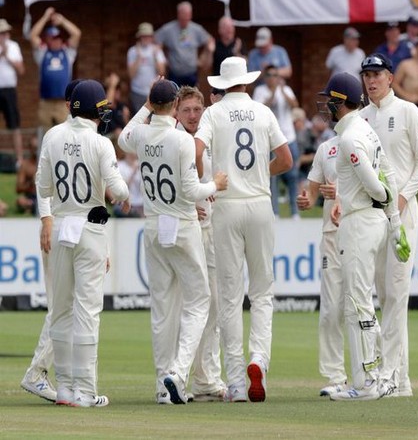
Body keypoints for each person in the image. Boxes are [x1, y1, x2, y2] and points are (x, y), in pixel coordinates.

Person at [119, 80, 227, 405]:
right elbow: (194, 191)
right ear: (176, 104)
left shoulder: (140, 134)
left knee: (163, 309)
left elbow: (124, 137)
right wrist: (215, 184)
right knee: (199, 300)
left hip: (153, 226)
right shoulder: (181, 140)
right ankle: (178, 374)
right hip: (181, 224)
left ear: (152, 102)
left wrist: (147, 105)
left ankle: (161, 385)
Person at [196, 57, 292, 402]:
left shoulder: (213, 113)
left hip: (227, 205)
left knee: (230, 295)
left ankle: (236, 381)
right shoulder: (263, 112)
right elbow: (286, 159)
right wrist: (261, 175)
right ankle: (259, 361)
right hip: (259, 204)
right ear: (247, 83)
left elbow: (197, 148)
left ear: (222, 84)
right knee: (263, 291)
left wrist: (204, 183)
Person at [36, 79, 130, 407]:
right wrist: (125, 196)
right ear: (93, 111)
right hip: (89, 228)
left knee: (60, 309)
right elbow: (117, 190)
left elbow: (44, 186)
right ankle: (85, 391)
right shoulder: (100, 143)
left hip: (62, 226)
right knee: (87, 311)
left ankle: (64, 388)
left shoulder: (52, 136)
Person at [320, 72, 403, 401]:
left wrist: (380, 200)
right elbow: (390, 175)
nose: (326, 106)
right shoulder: (365, 130)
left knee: (356, 302)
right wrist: (393, 221)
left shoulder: (351, 138)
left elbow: (375, 182)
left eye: (330, 100)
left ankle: (367, 382)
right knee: (359, 301)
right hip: (368, 220)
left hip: (361, 222)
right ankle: (374, 377)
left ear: (340, 102)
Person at [360, 54, 418, 398]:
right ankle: (400, 379)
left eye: (376, 75)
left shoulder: (407, 111)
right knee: (385, 294)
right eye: (366, 76)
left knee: (397, 293)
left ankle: (389, 375)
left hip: (402, 214)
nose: (371, 81)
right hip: (372, 215)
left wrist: (402, 196)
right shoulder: (360, 118)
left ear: (390, 77)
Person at [20, 78, 82, 404]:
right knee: (61, 305)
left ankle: (65, 379)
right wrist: (46, 220)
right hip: (58, 226)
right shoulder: (56, 135)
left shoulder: (81, 135)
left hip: (71, 228)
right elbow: (41, 181)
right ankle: (37, 373)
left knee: (66, 305)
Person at [174, 85, 226, 402]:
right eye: (187, 110)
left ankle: (206, 379)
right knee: (187, 307)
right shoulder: (173, 139)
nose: (193, 116)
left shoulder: (207, 136)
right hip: (183, 231)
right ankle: (176, 376)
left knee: (214, 305)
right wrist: (184, 203)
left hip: (211, 230)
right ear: (177, 112)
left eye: (197, 109)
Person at [296, 135, 346, 396]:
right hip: (330, 234)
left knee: (360, 305)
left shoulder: (368, 138)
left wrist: (341, 193)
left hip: (360, 230)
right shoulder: (326, 148)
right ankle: (335, 375)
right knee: (330, 308)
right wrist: (308, 201)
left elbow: (380, 186)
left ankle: (371, 372)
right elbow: (313, 191)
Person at [252, 64, 300, 218]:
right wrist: (273, 92)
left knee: (293, 175)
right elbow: (260, 109)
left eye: (275, 75)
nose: (272, 78)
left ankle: (295, 211)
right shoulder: (260, 91)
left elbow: (295, 105)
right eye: (270, 75)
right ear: (265, 77)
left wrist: (281, 91)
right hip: (269, 139)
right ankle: (275, 211)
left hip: (289, 136)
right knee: (272, 176)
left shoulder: (285, 89)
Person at [29, 7, 81, 133]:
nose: (55, 40)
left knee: (64, 135)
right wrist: (45, 17)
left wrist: (62, 20)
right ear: (47, 39)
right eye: (52, 38)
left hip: (63, 103)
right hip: (46, 102)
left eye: (57, 37)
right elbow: (32, 36)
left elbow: (77, 34)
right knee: (46, 135)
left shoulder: (67, 52)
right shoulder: (42, 52)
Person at [154, 1, 215, 87]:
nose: (186, 19)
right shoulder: (168, 29)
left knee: (191, 98)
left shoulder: (196, 29)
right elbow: (155, 40)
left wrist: (204, 57)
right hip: (174, 74)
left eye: (188, 16)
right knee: (175, 99)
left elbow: (210, 41)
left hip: (192, 74)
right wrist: (162, 58)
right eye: (184, 16)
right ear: (178, 14)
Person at [391, 38, 418, 140]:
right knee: (403, 135)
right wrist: (408, 96)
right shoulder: (405, 65)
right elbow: (394, 84)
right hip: (405, 105)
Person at [0, 19, 25, 168]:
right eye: (1, 33)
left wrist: (7, 56)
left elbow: (21, 70)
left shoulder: (14, 47)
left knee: (15, 125)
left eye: (5, 33)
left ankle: (19, 160)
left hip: (9, 90)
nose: (4, 35)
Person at [127, 22, 167, 114]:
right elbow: (131, 75)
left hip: (154, 93)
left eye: (148, 36)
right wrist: (138, 58)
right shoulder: (132, 51)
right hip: (137, 92)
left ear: (152, 37)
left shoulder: (157, 50)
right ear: (140, 36)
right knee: (139, 121)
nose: (146, 38)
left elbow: (162, 72)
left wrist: (155, 56)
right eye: (144, 36)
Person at [114, 152, 143, 217]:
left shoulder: (141, 165)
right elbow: (122, 188)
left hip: (140, 203)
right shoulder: (120, 166)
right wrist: (133, 173)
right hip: (127, 204)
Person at [16, 137, 39, 215]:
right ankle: (32, 206)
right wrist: (30, 182)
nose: (36, 151)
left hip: (46, 198)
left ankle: (33, 208)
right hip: (31, 197)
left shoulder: (47, 163)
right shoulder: (25, 165)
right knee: (20, 201)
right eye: (34, 148)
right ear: (30, 149)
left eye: (38, 148)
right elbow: (18, 188)